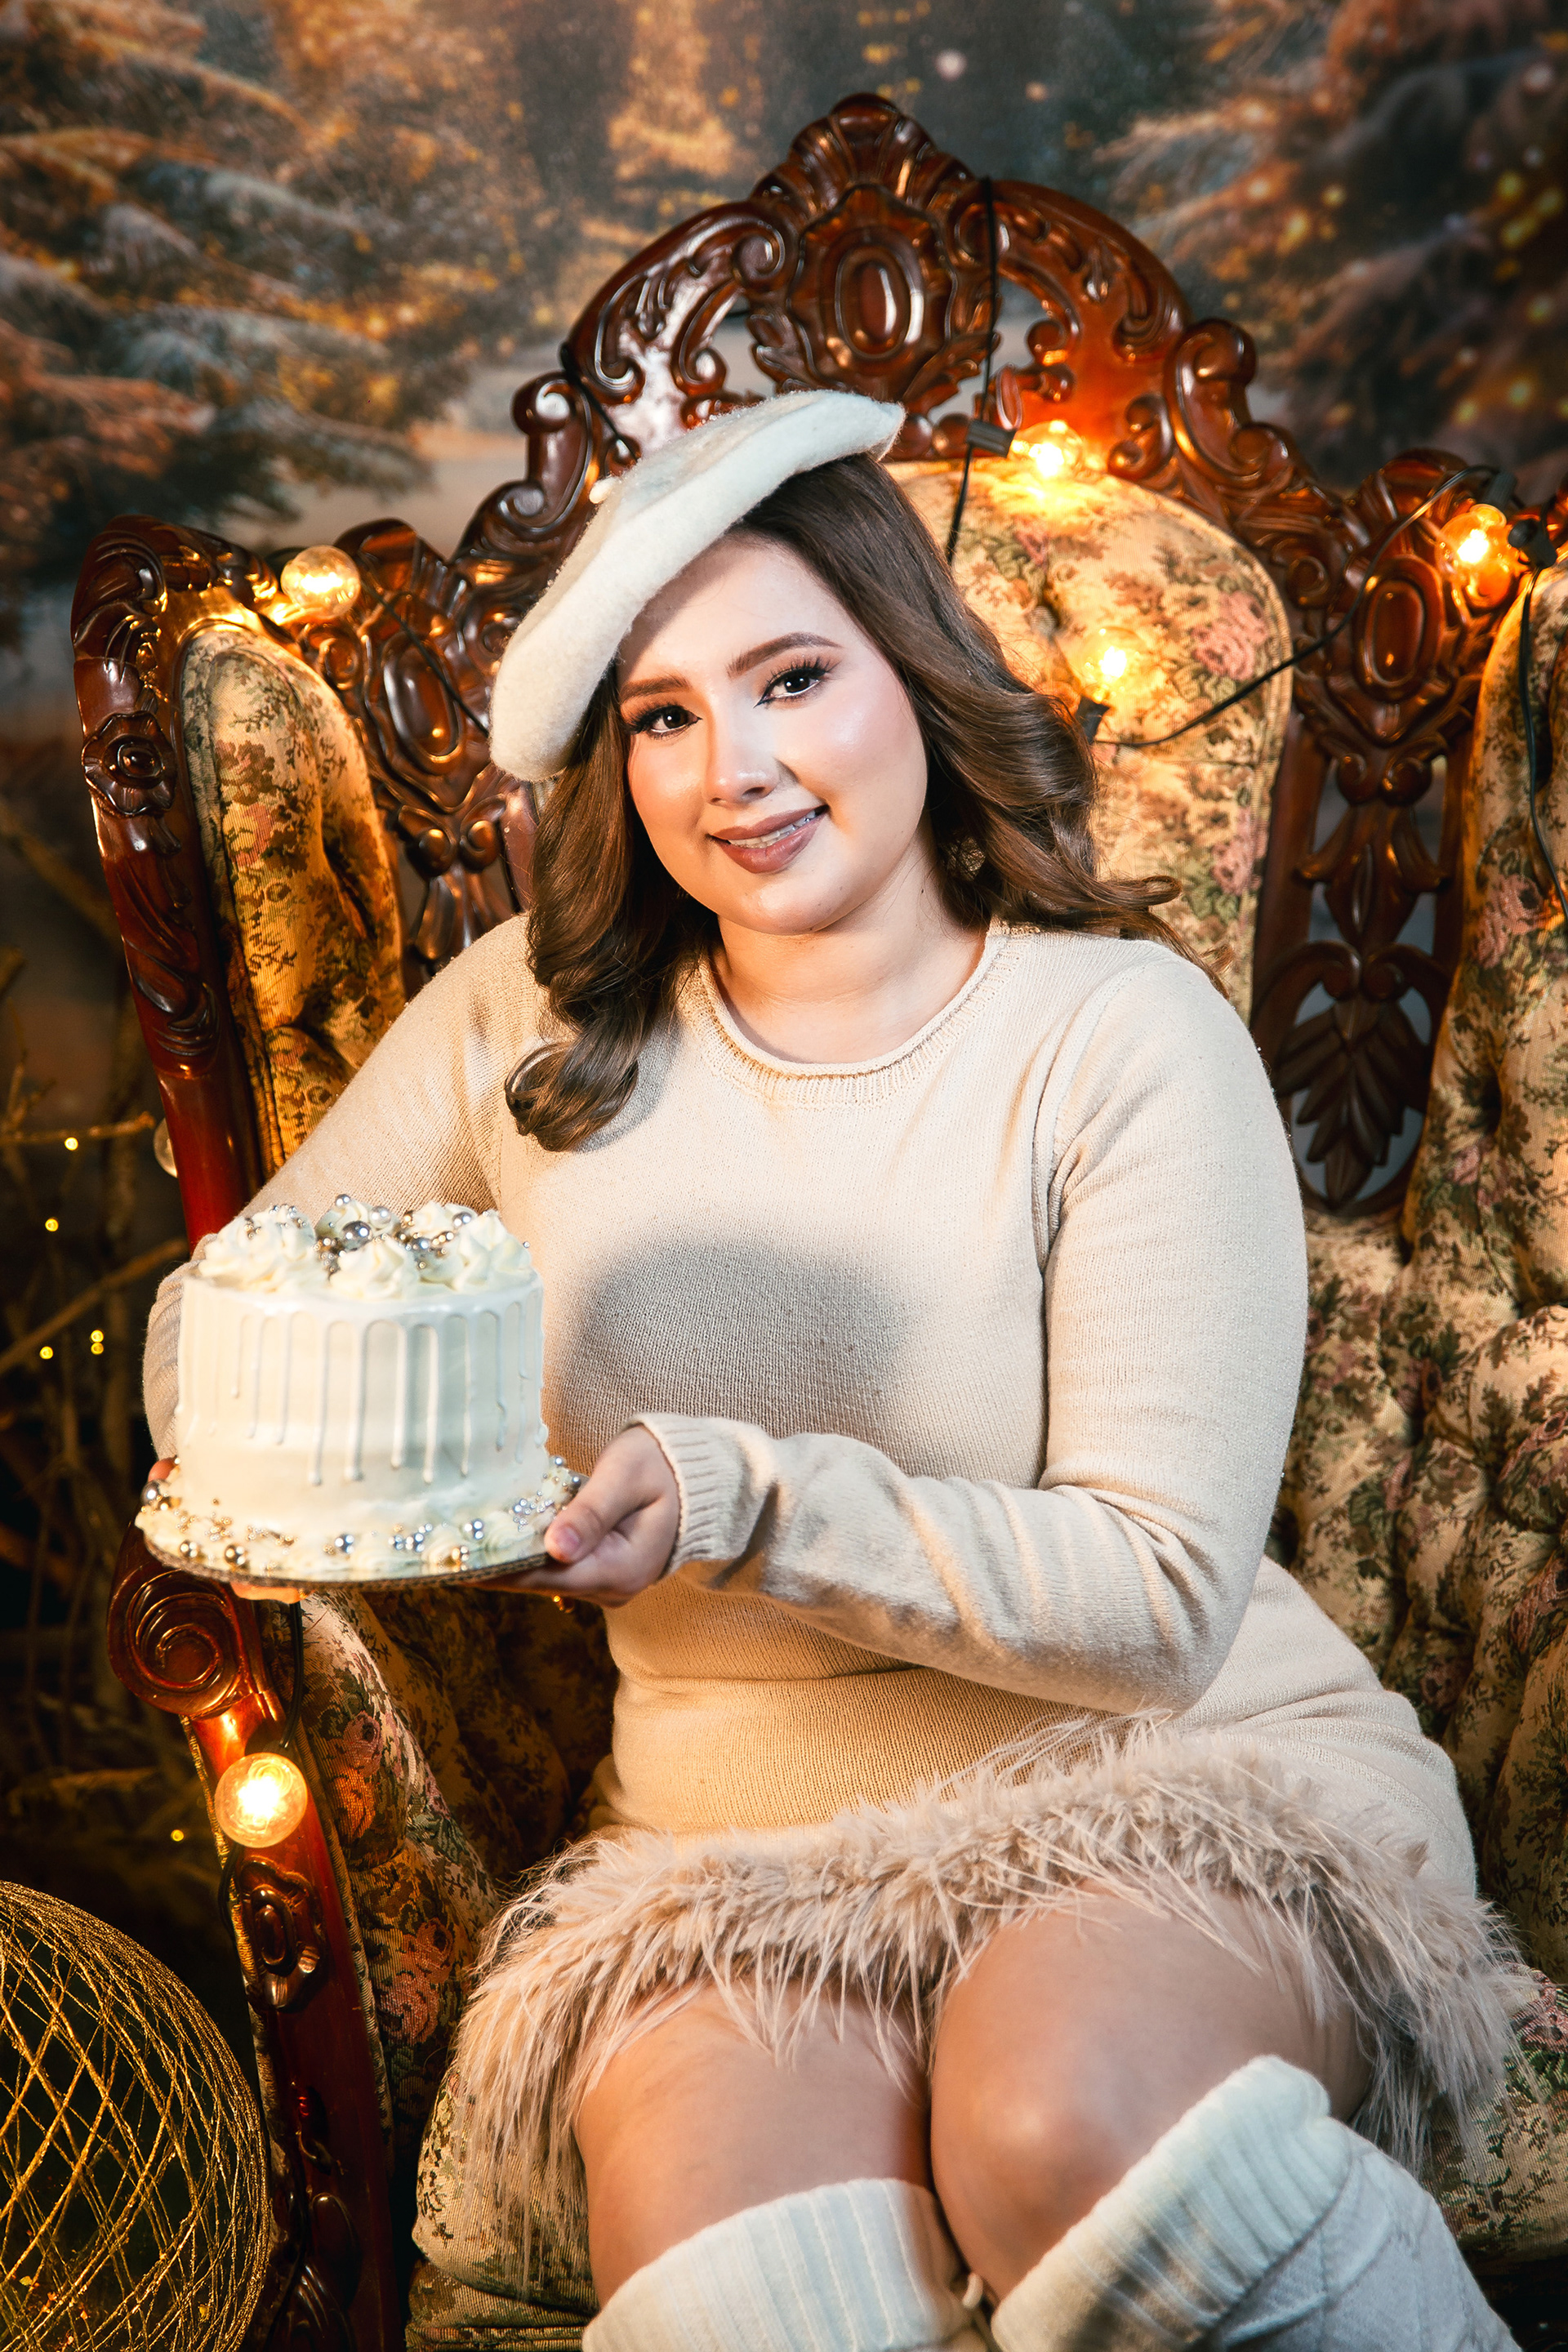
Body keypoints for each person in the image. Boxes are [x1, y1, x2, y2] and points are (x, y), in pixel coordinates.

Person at [144, 392, 1517, 2351]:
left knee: (1056, 2131)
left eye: (794, 677)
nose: (739, 770)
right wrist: (363, 1474)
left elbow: (1157, 1599)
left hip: (1165, 1781)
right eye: (665, 715)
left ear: (918, 680)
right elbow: (213, 1330)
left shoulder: (1119, 1031)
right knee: (752, 2302)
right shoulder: (522, 1023)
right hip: (732, 1853)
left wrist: (742, 1503)